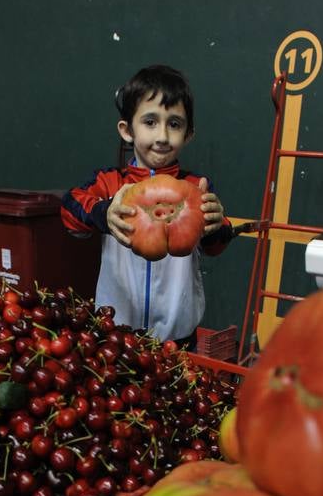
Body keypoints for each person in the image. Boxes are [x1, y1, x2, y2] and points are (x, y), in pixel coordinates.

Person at [61, 64, 235, 348]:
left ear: (189, 134)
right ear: (127, 130)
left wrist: (215, 226)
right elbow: (69, 211)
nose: (163, 136)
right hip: (115, 332)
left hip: (178, 338)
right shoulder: (110, 183)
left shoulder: (195, 187)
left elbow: (216, 245)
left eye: (175, 124)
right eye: (150, 122)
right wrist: (103, 213)